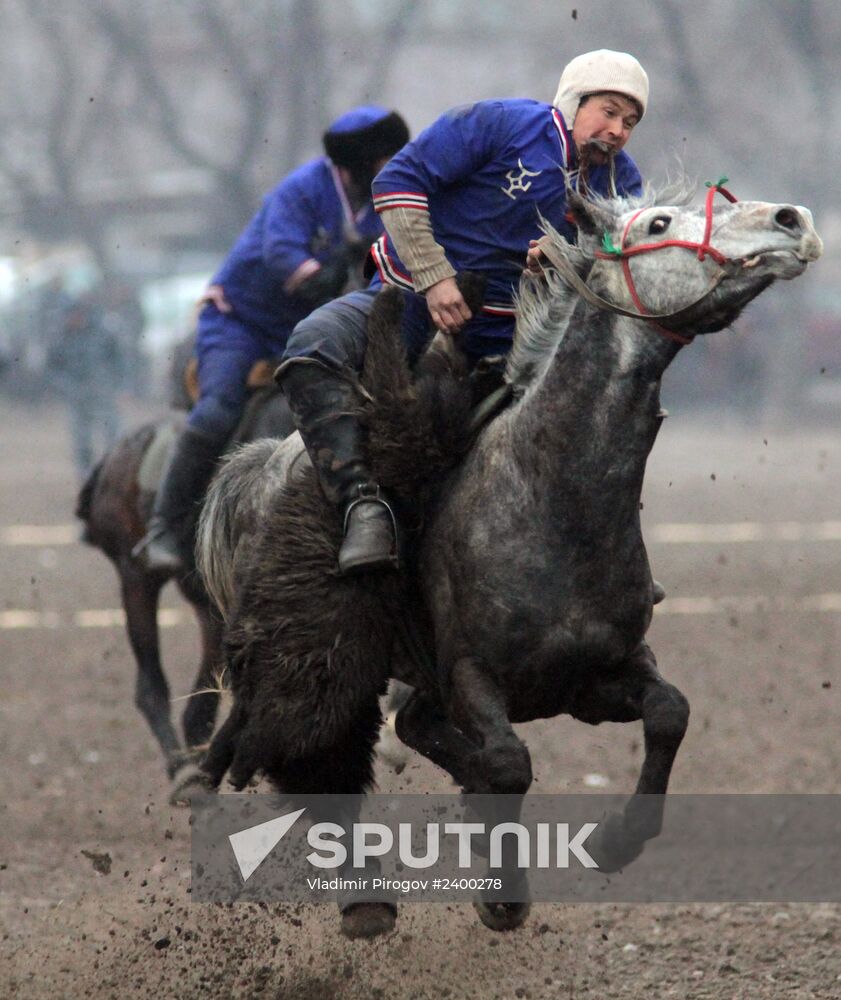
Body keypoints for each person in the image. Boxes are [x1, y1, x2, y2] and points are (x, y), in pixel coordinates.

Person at [276, 49, 649, 576]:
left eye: (630, 122)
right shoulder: (500, 123)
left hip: (515, 342)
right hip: (405, 302)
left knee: (599, 408)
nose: (617, 130)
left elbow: (617, 265)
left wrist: (570, 261)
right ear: (574, 100)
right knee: (311, 346)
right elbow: (397, 183)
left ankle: (610, 556)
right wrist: (436, 277)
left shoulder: (622, 185)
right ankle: (361, 505)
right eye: (609, 111)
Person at [136, 105, 410, 572]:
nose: (391, 167)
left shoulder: (384, 200)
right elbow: (282, 253)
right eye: (383, 159)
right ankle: (162, 528)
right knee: (219, 407)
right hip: (240, 323)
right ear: (356, 165)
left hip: (302, 331)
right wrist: (331, 269)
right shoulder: (302, 189)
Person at [46, 290, 124, 481]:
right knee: (81, 438)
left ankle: (112, 471)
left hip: (102, 391)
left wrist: (119, 384)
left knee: (112, 433)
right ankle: (86, 476)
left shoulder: (102, 333)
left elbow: (118, 359)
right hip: (76, 395)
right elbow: (52, 368)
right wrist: (66, 387)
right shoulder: (61, 337)